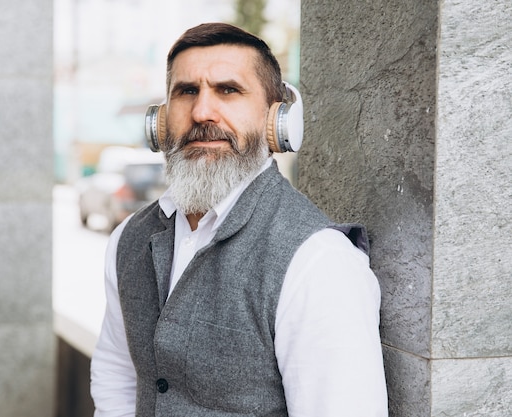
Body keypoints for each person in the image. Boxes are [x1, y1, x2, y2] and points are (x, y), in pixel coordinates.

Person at [90, 22, 388, 416]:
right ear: (161, 121)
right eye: (187, 91)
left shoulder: (319, 262)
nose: (201, 111)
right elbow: (117, 376)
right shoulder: (129, 238)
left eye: (228, 90)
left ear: (277, 121)